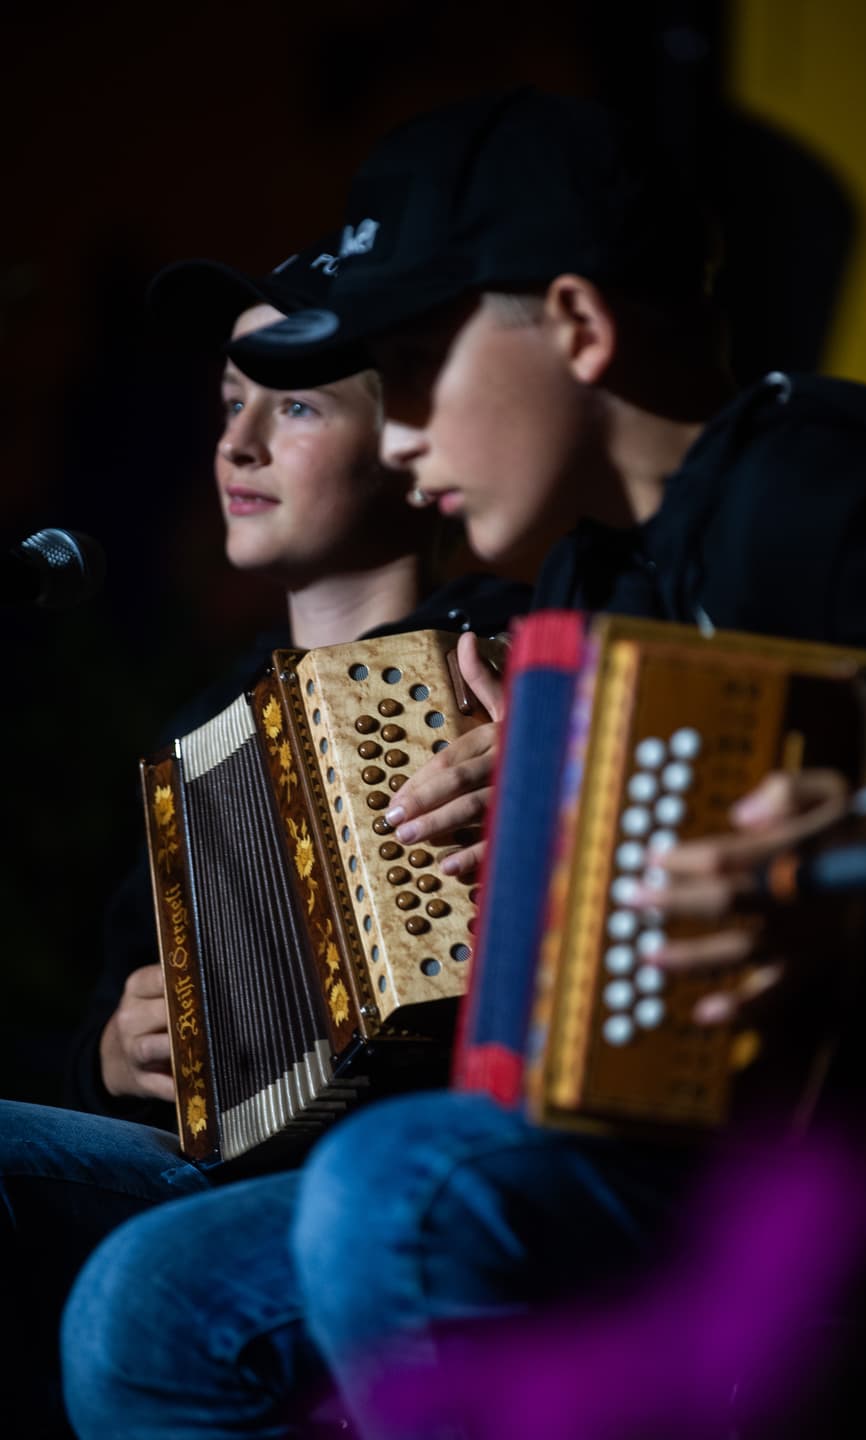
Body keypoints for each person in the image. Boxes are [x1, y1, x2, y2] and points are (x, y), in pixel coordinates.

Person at [62, 90, 866, 1439]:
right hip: (659, 1147)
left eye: (416, 370)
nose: (401, 434)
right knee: (150, 1299)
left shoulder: (820, 483)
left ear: (582, 331)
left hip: (846, 1162)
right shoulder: (591, 582)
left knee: (395, 1182)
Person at [0, 241, 529, 1438]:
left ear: (412, 439)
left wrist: (541, 763)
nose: (236, 445)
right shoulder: (205, 733)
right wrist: (112, 1052)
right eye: (228, 404)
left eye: (291, 405)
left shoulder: (518, 652)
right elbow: (114, 1011)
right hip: (218, 1169)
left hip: (419, 1159)